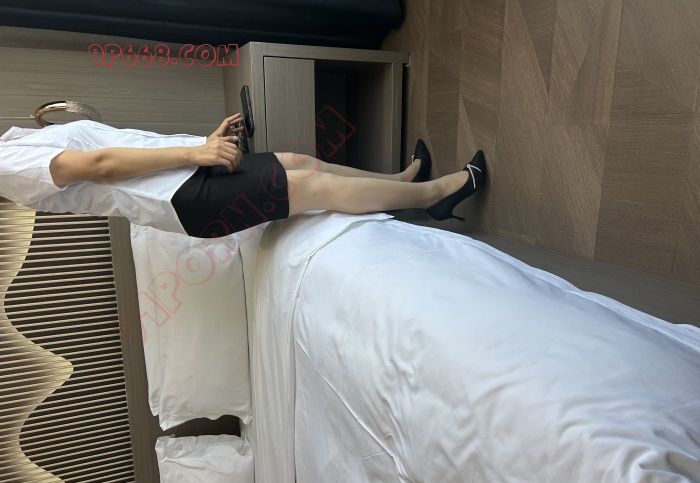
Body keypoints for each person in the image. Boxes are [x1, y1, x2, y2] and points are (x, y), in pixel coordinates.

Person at [0, 115, 486, 238]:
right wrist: (196, 152)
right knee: (312, 187)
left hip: (185, 174)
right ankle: (434, 196)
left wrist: (200, 145)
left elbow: (123, 144)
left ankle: (400, 180)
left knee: (300, 163)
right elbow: (98, 167)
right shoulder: (6, 165)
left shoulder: (11, 142)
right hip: (183, 198)